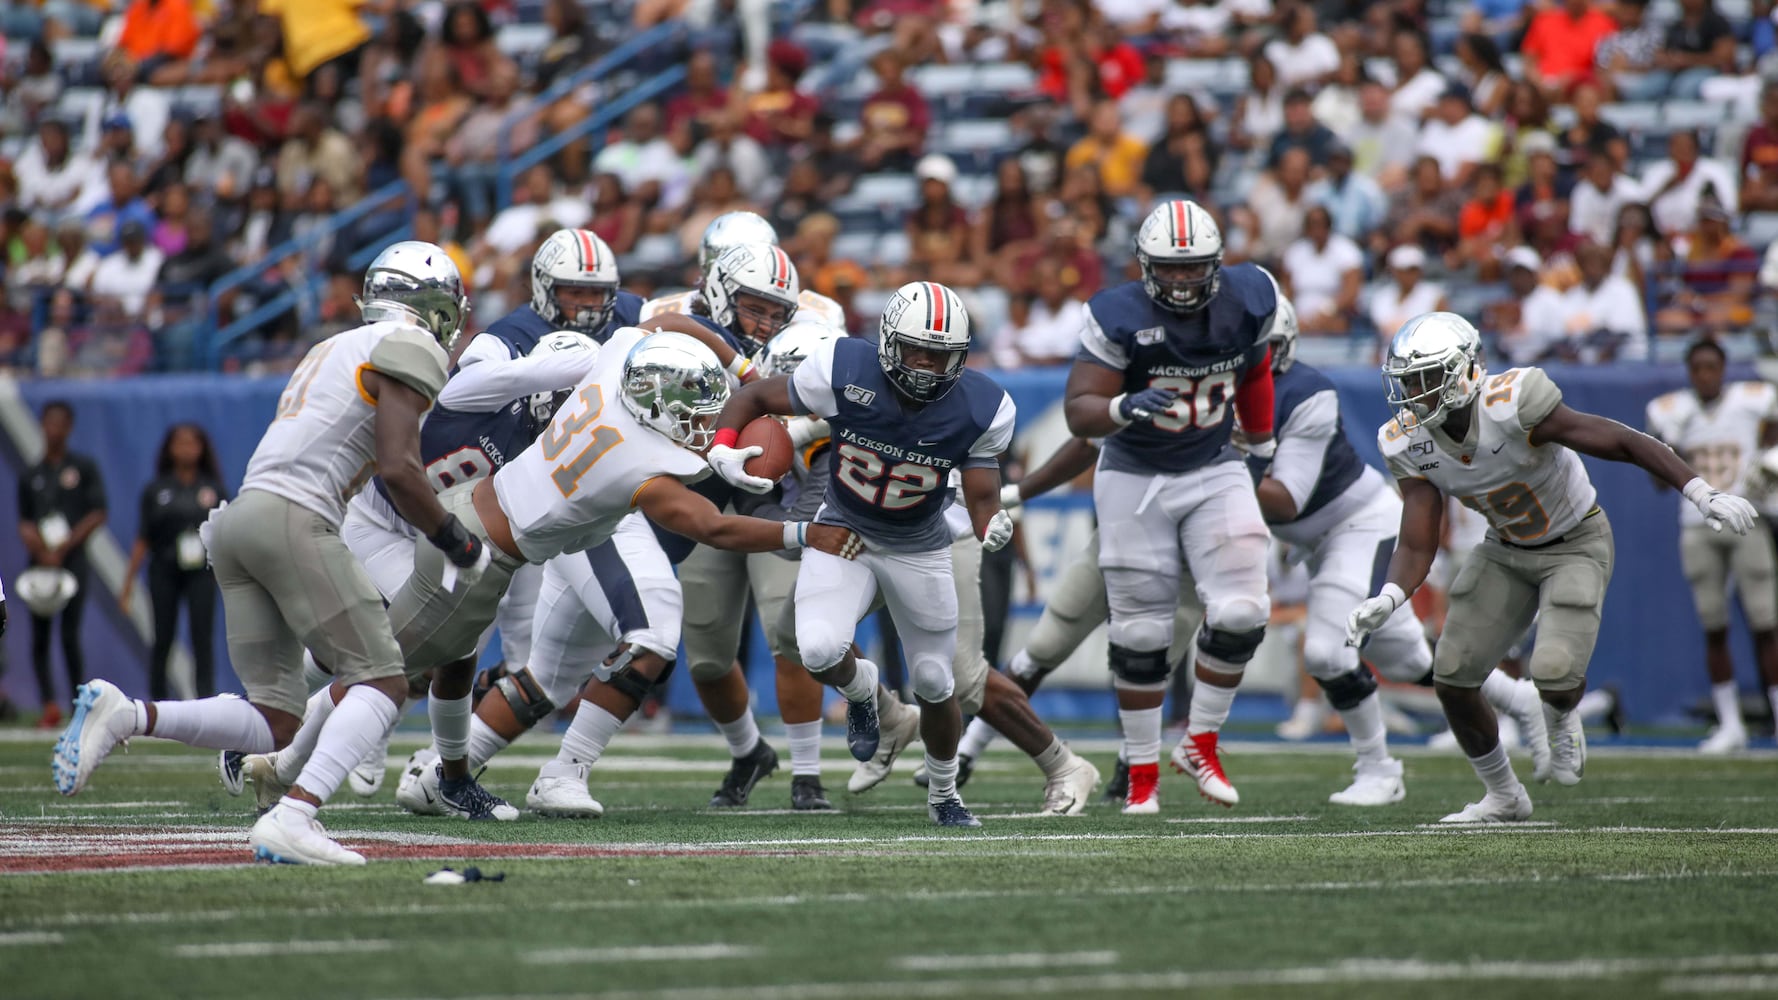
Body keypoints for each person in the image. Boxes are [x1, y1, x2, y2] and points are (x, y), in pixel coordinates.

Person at [52, 241, 474, 867]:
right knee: (383, 679)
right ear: (434, 304)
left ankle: (126, 715)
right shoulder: (410, 346)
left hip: (237, 521)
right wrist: (453, 538)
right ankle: (296, 816)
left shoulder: (330, 345)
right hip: (293, 516)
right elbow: (399, 467)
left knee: (276, 719)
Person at [1349, 312, 1761, 823]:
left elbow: (1621, 440)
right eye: (1407, 381)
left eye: (1424, 379)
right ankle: (1503, 795)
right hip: (1505, 549)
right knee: (1453, 676)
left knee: (1554, 674)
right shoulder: (1408, 439)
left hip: (1576, 541)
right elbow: (1418, 536)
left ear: (1463, 373)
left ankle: (1562, 714)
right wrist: (1389, 597)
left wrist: (1700, 490)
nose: (1412, 393)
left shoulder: (1513, 402)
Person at [710, 281, 1018, 827]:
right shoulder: (842, 368)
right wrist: (723, 444)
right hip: (844, 529)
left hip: (917, 546)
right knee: (819, 649)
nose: (925, 365)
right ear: (887, 342)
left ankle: (944, 794)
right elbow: (755, 396)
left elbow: (982, 496)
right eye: (915, 349)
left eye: (940, 355)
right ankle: (862, 692)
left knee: (933, 681)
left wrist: (990, 523)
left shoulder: (983, 406)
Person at [1059, 200, 1280, 813]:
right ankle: (1141, 777)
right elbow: (1079, 406)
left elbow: (1257, 367)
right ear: (1145, 265)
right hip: (1134, 476)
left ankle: (1200, 741)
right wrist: (1120, 408)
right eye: (1169, 269)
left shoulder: (1251, 294)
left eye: (1194, 269)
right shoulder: (1116, 313)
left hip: (1213, 463)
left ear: (1217, 263)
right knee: (1140, 633)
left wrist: (1260, 440)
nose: (1182, 280)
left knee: (1242, 609)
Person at [1646, 339, 1778, 753]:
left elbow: (1773, 436)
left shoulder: (1752, 401)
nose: (1705, 375)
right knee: (1713, 625)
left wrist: (1769, 464)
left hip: (1746, 520)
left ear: (1723, 369)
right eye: (1698, 368)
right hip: (1697, 524)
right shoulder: (1671, 412)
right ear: (1689, 372)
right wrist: (1668, 446)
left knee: (1766, 623)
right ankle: (1730, 724)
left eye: (1712, 367)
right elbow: (1657, 483)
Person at [120, 424, 227, 701]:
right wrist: (128, 583)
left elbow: (226, 534)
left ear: (202, 448)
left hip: (202, 572)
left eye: (192, 443)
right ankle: (158, 701)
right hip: (165, 570)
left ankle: (205, 700)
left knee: (202, 637)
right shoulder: (156, 489)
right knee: (162, 636)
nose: (186, 449)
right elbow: (143, 537)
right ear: (169, 448)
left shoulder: (213, 488)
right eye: (180, 443)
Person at [17, 401, 107, 727]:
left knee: (70, 635)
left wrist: (66, 544)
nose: (53, 430)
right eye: (49, 423)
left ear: (69, 427)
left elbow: (97, 511)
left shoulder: (83, 467)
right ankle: (48, 704)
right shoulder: (32, 473)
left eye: (60, 424)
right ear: (42, 425)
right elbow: (24, 520)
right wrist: (40, 548)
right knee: (40, 637)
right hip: (40, 563)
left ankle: (76, 704)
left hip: (71, 561)